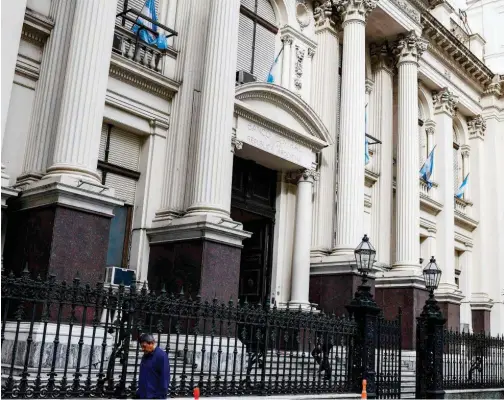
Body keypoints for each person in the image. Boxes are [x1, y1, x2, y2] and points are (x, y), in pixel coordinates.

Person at [136, 333, 170, 399]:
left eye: (144, 346)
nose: (142, 349)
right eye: (141, 347)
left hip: (154, 396)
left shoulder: (161, 356)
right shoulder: (145, 355)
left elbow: (165, 378)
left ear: (152, 343)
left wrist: (160, 396)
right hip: (143, 395)